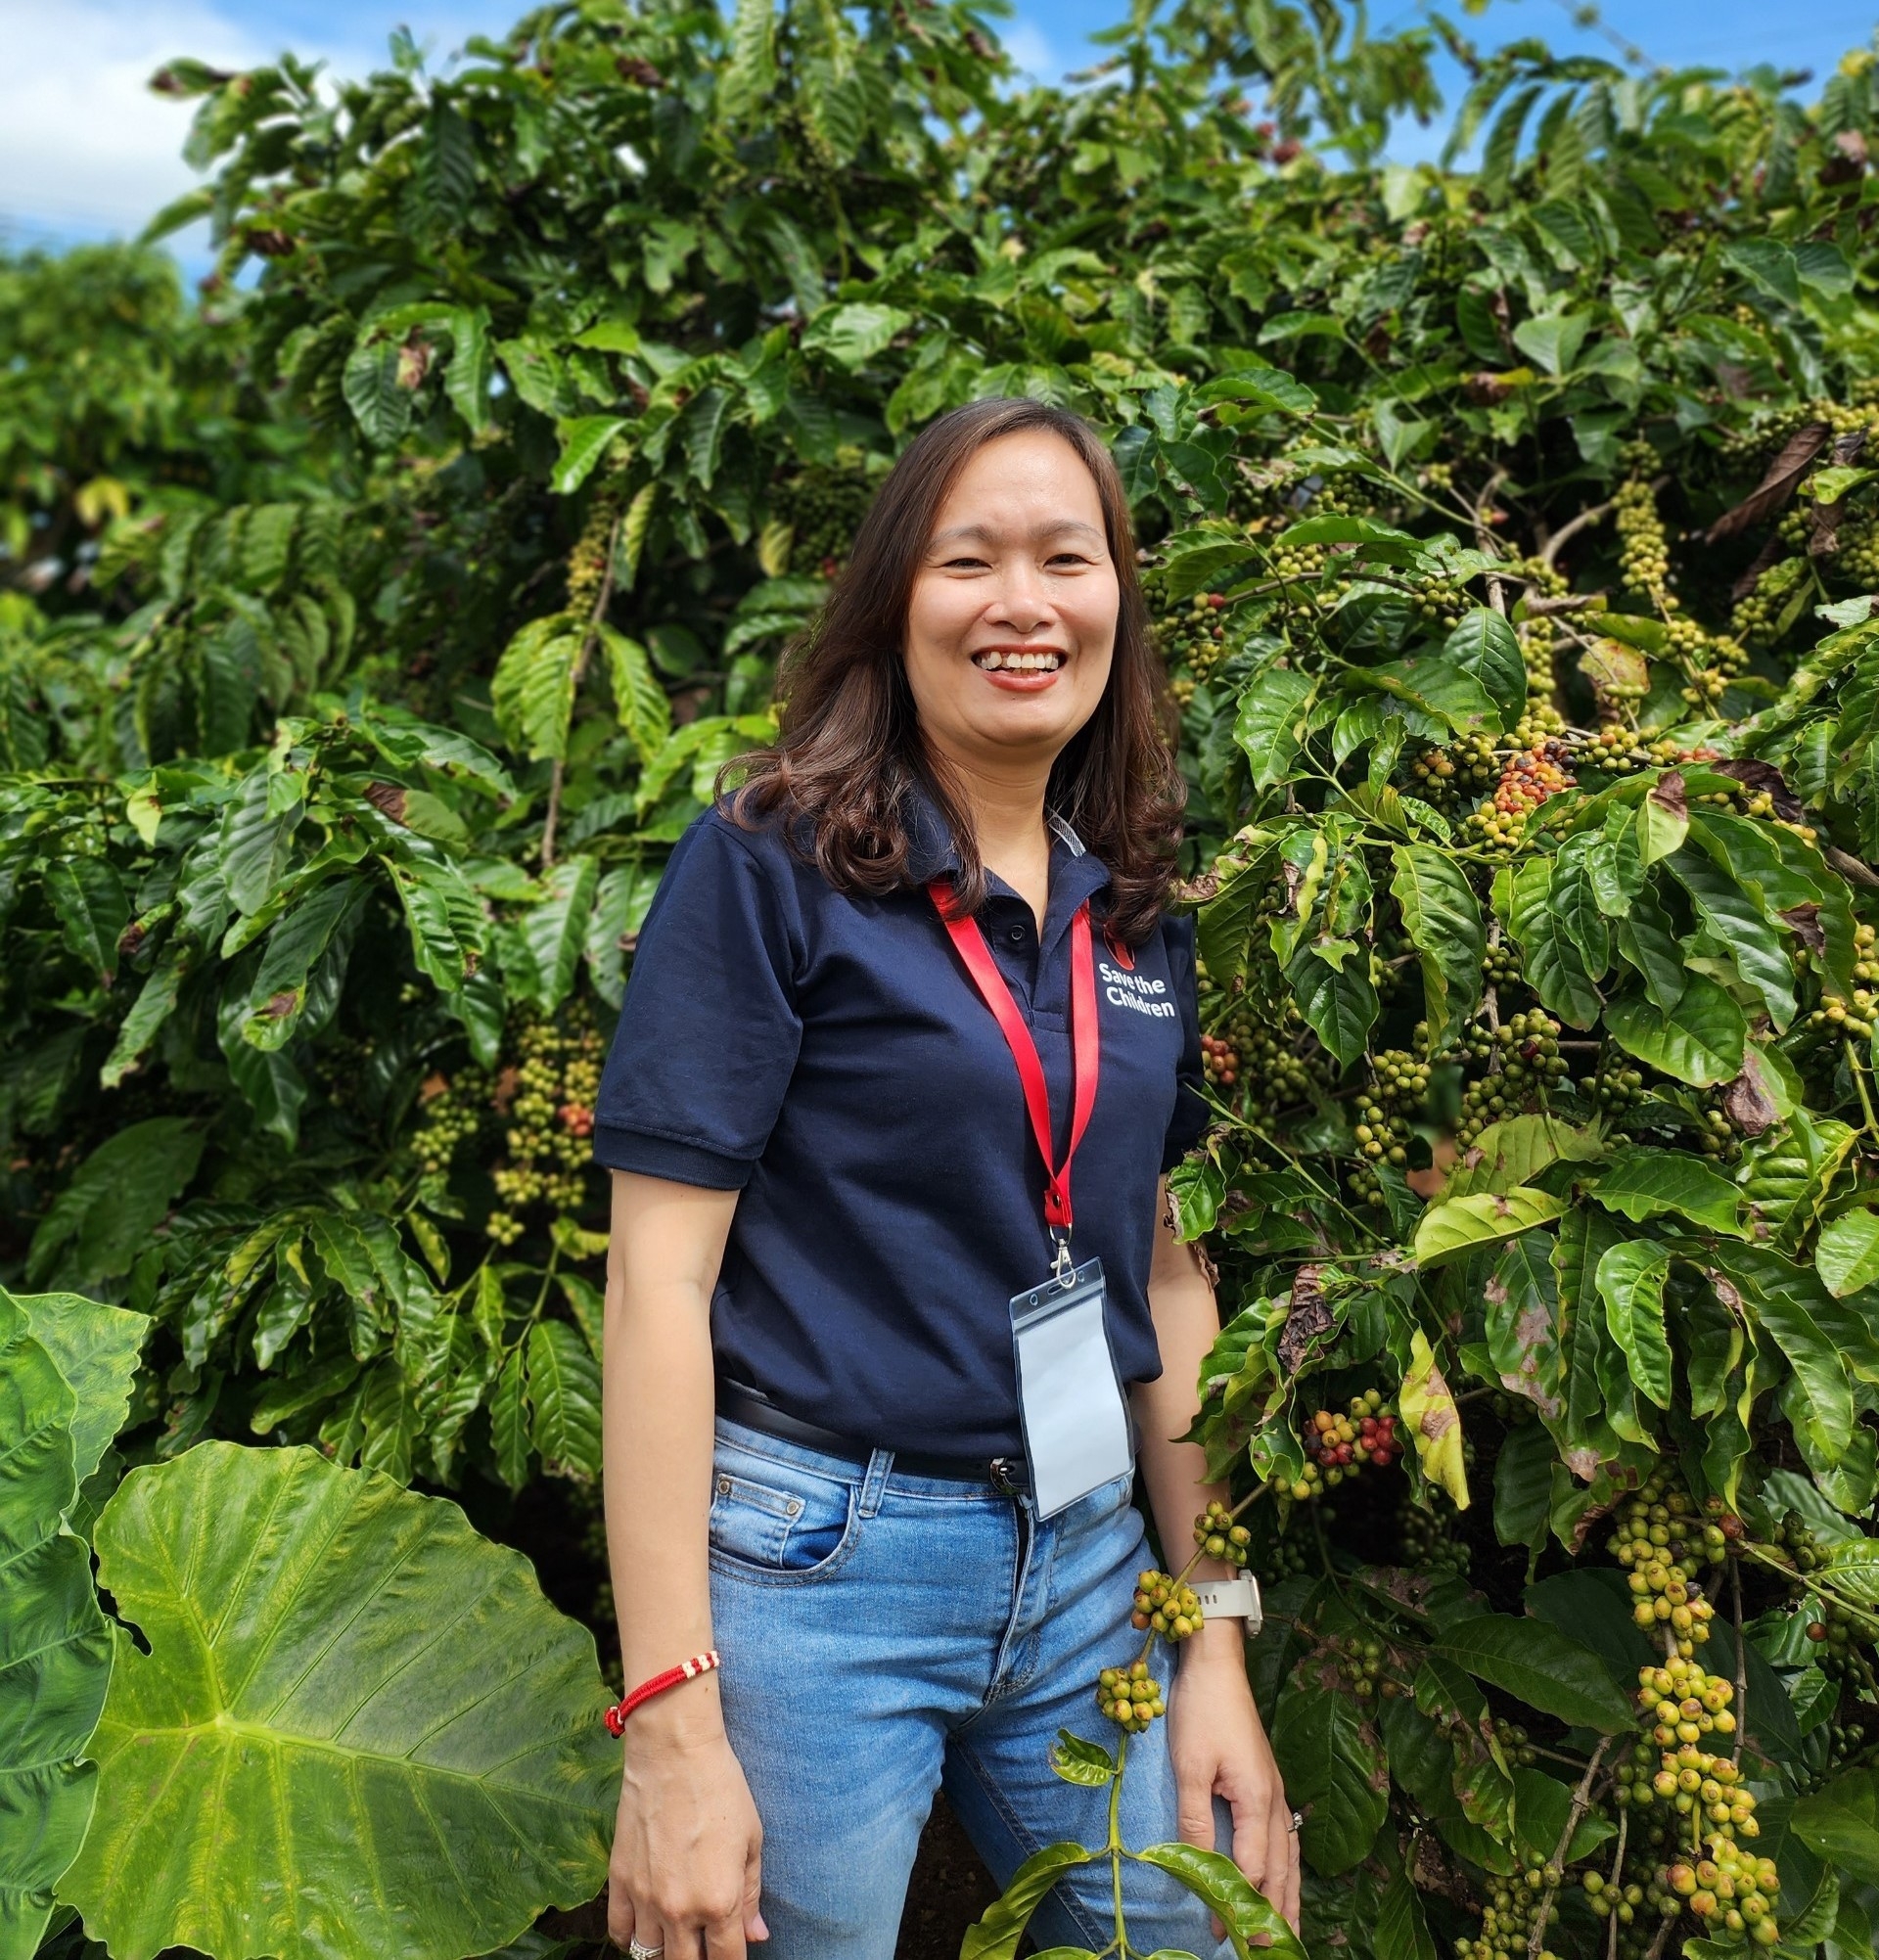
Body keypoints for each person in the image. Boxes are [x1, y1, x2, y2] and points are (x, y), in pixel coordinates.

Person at [593, 396, 1299, 1960]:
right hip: (817, 1575)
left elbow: (1166, 1279)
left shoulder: (1140, 909)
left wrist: (1218, 1637)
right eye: (969, 560)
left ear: (1118, 596)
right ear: (892, 604)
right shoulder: (771, 864)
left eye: (1069, 556)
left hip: (1097, 1571)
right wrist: (671, 1721)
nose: (1025, 604)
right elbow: (658, 1286)